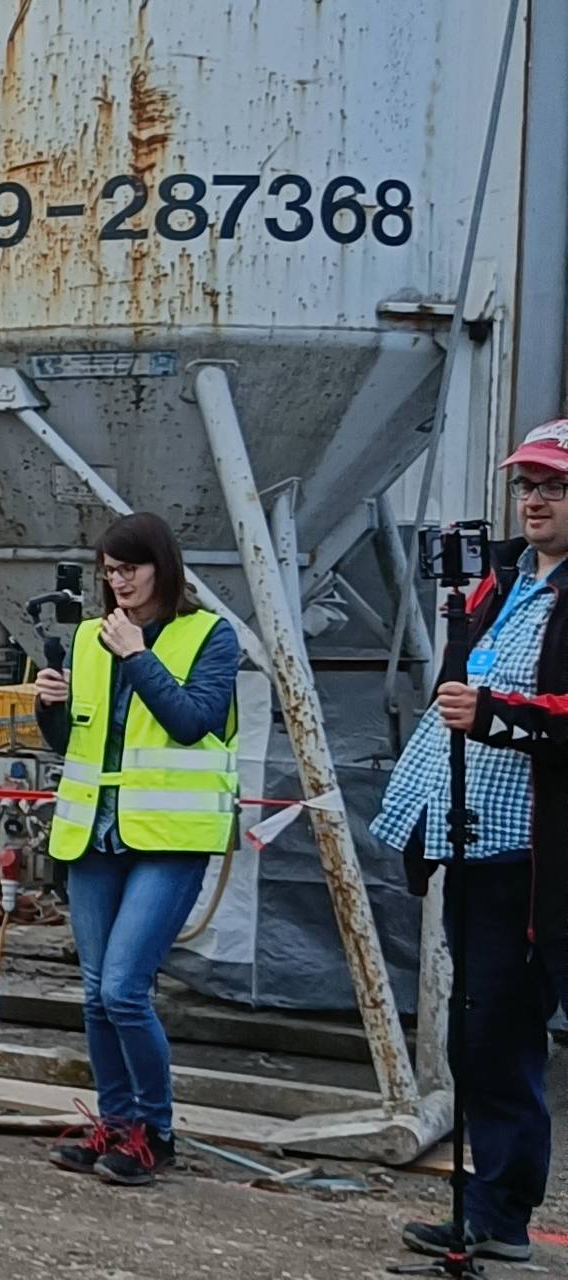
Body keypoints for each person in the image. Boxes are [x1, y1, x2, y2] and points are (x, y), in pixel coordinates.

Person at [376, 418, 568, 1264]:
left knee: (505, 1029)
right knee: (479, 1030)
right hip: (476, 842)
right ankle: (493, 1210)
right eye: (525, 485)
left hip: (541, 858)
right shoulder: (501, 582)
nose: (533, 500)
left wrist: (499, 717)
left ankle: (500, 1208)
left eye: (553, 486)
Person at [33, 511, 241, 1189]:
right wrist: (49, 706)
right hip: (95, 830)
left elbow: (189, 722)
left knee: (124, 988)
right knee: (95, 994)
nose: (118, 582)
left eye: (129, 569)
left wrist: (135, 655)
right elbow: (73, 742)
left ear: (162, 567)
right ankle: (115, 1126)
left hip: (169, 836)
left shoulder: (208, 635)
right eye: (109, 572)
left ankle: (155, 1132)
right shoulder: (92, 638)